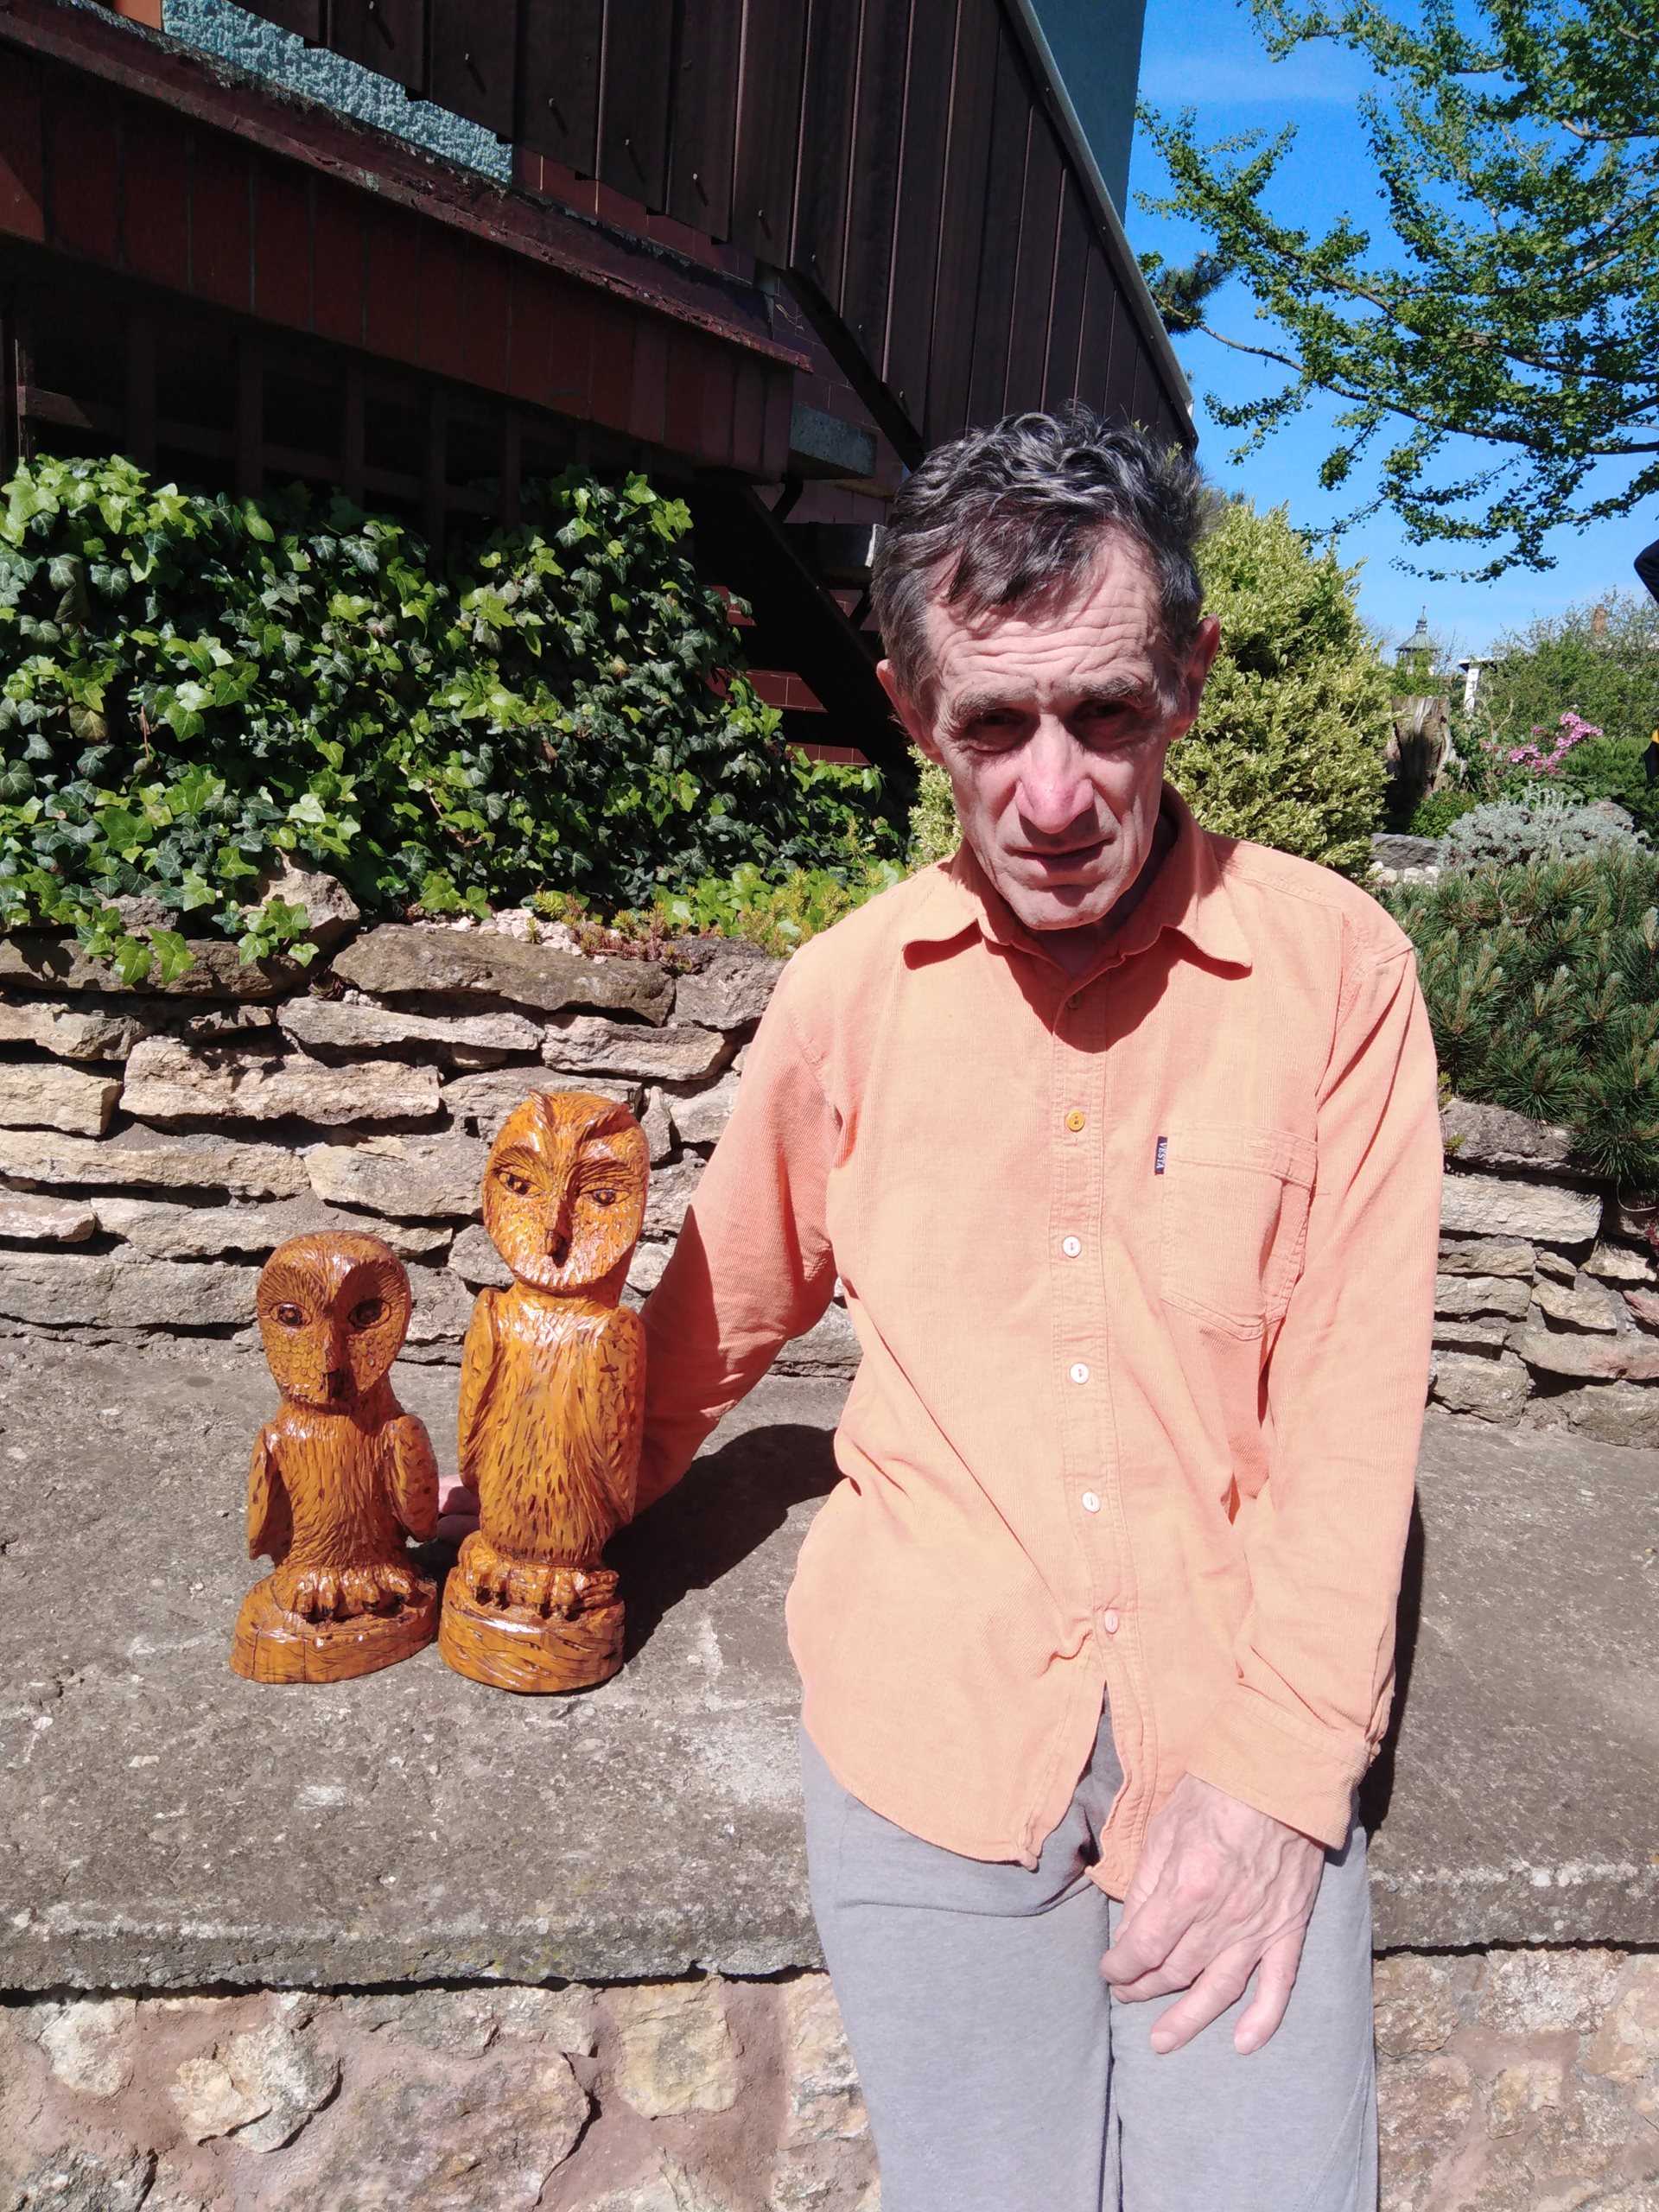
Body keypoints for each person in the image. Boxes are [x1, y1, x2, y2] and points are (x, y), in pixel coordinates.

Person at [591, 409, 1438, 2210]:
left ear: (1190, 680)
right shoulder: (849, 998)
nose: (1053, 797)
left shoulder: (1339, 976)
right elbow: (703, 1331)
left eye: (1105, 712)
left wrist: (1279, 1785)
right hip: (938, 1727)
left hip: (1239, 1717)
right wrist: (525, 1513)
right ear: (914, 710)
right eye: (993, 722)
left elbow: (1358, 1411)